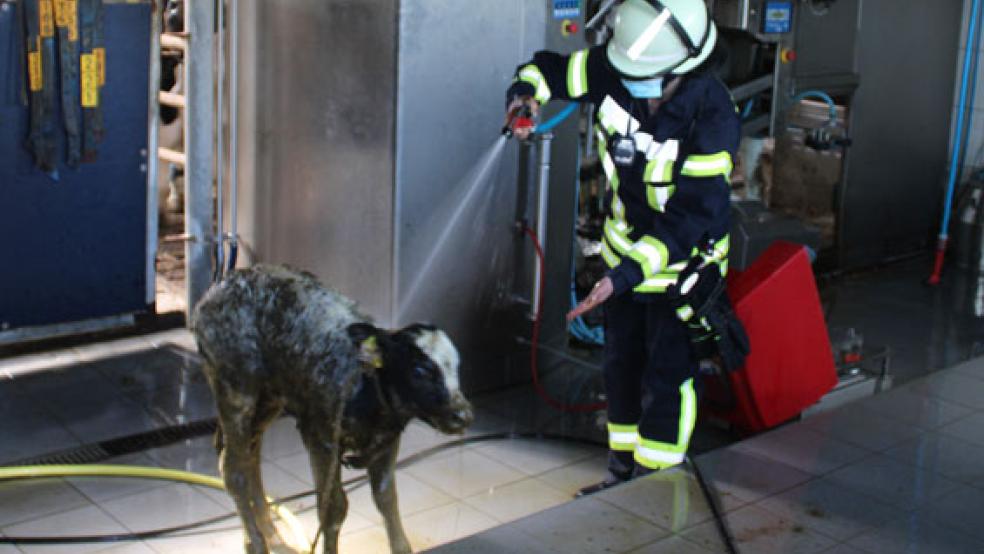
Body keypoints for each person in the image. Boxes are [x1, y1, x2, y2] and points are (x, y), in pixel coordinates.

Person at [504, 0, 739, 495]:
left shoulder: (712, 114)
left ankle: (657, 484)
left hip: (678, 272)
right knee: (621, 370)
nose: (633, 84)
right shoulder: (617, 70)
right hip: (622, 260)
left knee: (667, 378)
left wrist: (626, 274)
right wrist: (525, 95)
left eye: (645, 76)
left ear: (686, 65)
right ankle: (619, 476)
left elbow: (693, 217)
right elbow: (551, 70)